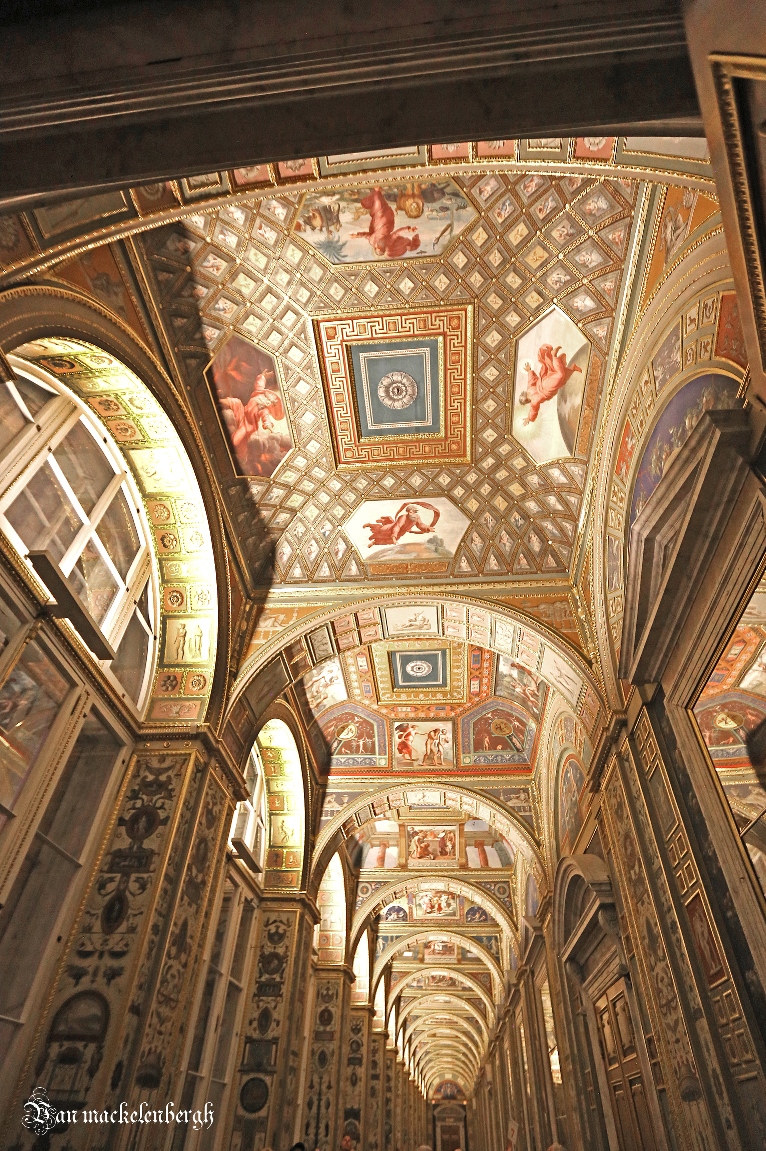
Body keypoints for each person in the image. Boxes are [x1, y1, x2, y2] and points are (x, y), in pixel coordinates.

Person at [518, 344, 581, 425]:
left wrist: (529, 418)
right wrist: (529, 371)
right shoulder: (529, 389)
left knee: (560, 375)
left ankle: (554, 355)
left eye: (526, 402)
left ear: (526, 400)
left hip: (546, 387)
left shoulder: (533, 402)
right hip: (545, 382)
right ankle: (572, 368)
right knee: (562, 380)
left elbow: (533, 411)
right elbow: (531, 379)